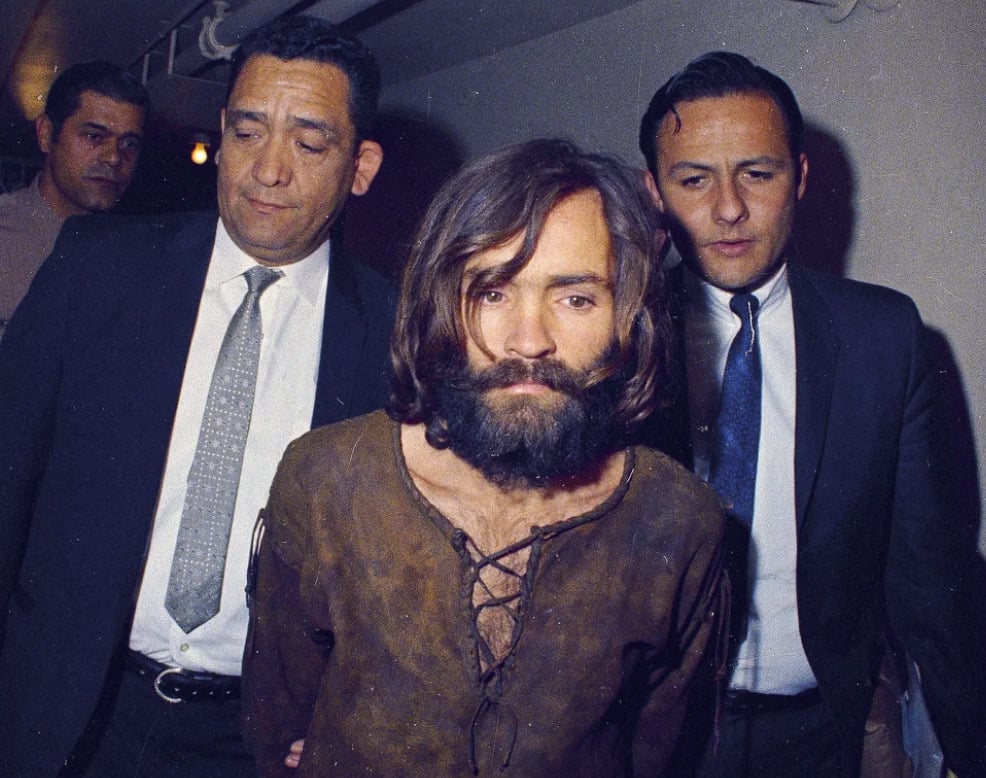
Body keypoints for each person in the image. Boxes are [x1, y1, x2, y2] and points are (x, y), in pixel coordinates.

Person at [241, 138, 727, 777]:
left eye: (576, 299)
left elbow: (658, 749)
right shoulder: (327, 479)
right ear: (440, 302)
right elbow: (279, 725)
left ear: (627, 319)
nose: (529, 341)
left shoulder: (679, 521)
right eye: (493, 293)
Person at [0, 16, 392, 777]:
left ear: (360, 166)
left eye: (309, 145)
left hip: (255, 741)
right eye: (247, 132)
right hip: (67, 707)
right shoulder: (98, 268)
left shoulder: (395, 333)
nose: (268, 170)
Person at [638, 51, 986, 777]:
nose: (728, 209)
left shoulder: (885, 338)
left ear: (799, 177)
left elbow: (932, 578)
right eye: (694, 179)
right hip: (646, 736)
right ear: (654, 193)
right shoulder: (611, 338)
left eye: (757, 174)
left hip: (820, 735)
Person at [0, 61, 147, 339]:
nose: (114, 157)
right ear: (46, 134)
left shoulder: (140, 257)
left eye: (129, 143)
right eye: (94, 136)